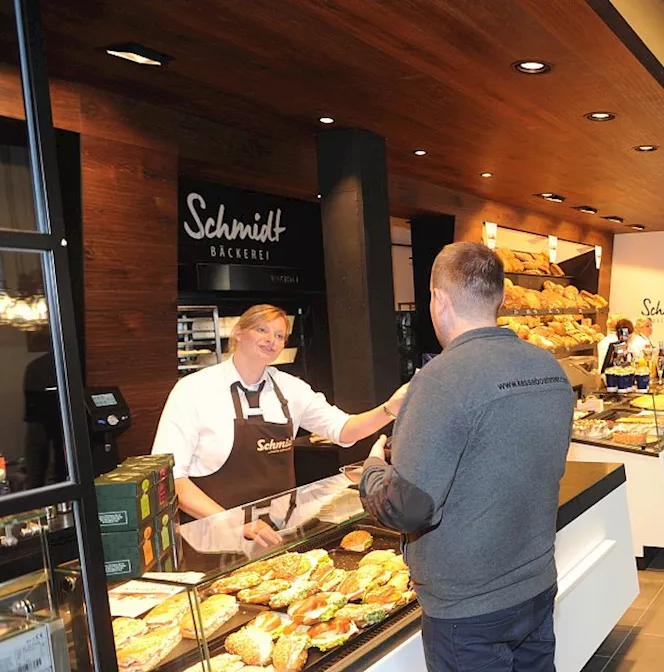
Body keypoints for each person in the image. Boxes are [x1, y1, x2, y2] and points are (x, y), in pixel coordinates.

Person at [358, 242, 574, 672]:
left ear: (438, 298)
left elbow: (409, 508)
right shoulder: (549, 367)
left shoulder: (442, 378)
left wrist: (371, 471)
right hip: (536, 585)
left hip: (469, 612)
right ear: (500, 297)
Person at [153, 304, 408, 538]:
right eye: (262, 329)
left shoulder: (290, 389)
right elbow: (172, 479)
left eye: (279, 335)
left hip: (277, 536)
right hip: (211, 537)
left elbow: (344, 431)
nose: (271, 340)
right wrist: (234, 525)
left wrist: (390, 408)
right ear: (239, 332)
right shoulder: (192, 390)